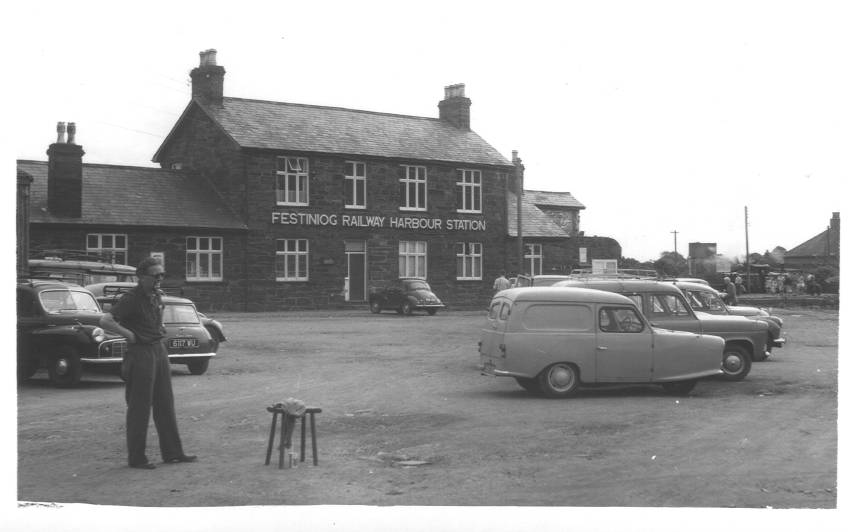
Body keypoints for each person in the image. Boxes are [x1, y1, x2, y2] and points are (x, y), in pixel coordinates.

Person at [100, 257, 196, 470]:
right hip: (140, 353)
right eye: (155, 276)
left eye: (162, 275)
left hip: (158, 350)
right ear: (142, 277)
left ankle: (173, 452)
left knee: (165, 403)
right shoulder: (131, 298)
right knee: (140, 407)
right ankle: (137, 458)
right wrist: (129, 335)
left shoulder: (156, 296)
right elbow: (106, 320)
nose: (159, 279)